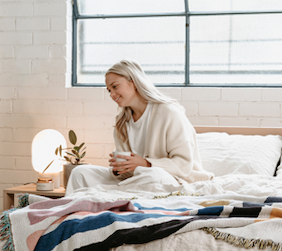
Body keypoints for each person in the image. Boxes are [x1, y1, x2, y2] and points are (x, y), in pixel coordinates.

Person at [67, 60, 212, 193]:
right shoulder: (122, 121)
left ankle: (114, 198)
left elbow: (183, 164)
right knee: (80, 172)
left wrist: (146, 164)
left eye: (115, 86)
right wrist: (119, 168)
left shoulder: (169, 112)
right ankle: (78, 212)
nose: (111, 94)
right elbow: (129, 172)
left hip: (172, 179)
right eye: (109, 90)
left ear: (133, 82)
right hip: (133, 181)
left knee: (153, 175)